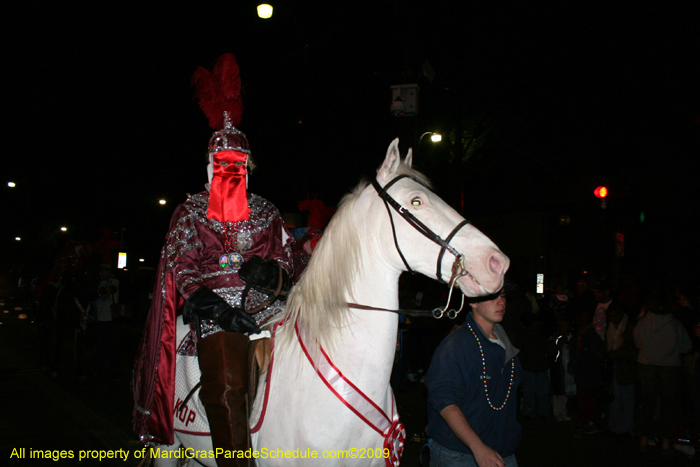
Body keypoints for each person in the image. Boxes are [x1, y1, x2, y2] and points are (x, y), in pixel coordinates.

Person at [131, 53, 294, 462]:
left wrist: (271, 275)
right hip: (215, 313)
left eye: (237, 164)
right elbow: (180, 266)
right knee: (225, 385)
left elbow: (290, 261)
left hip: (269, 308)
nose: (228, 170)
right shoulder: (189, 211)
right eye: (220, 164)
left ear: (248, 165)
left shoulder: (268, 210)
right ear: (207, 166)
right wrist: (216, 309)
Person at [425, 290, 522, 467]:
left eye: (503, 296)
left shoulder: (506, 345)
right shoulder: (456, 345)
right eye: (492, 296)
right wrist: (478, 447)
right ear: (473, 301)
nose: (501, 302)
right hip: (460, 454)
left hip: (502, 453)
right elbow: (445, 402)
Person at [635, 288, 692, 454]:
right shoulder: (674, 324)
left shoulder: (643, 322)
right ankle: (666, 443)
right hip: (669, 368)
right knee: (668, 406)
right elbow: (686, 346)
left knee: (647, 404)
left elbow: (638, 343)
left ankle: (643, 440)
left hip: (647, 366)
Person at [604, 302, 637, 441]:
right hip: (615, 367)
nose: (612, 319)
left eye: (614, 316)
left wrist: (617, 354)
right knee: (615, 399)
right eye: (610, 317)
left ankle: (626, 428)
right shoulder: (611, 326)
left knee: (628, 399)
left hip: (627, 367)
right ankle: (615, 426)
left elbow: (633, 349)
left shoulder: (630, 327)